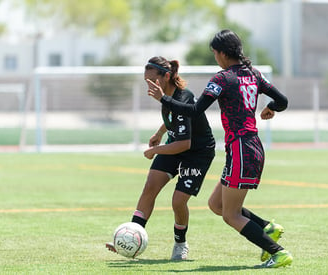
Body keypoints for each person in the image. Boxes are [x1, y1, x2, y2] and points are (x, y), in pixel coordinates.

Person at [146, 30, 292, 268]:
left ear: (222, 53)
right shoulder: (254, 74)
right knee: (217, 204)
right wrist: (271, 107)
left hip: (242, 149)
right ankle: (268, 228)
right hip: (248, 147)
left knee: (230, 214)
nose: (215, 57)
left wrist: (163, 99)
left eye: (214, 53)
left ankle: (278, 252)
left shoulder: (222, 79)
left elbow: (193, 111)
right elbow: (283, 100)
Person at [106, 56, 215, 260]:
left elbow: (185, 144)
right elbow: (174, 118)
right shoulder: (166, 95)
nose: (149, 86)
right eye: (145, 81)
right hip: (175, 143)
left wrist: (155, 151)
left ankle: (180, 243)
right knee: (150, 188)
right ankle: (132, 237)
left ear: (166, 76)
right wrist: (159, 133)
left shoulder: (184, 98)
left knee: (178, 201)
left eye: (152, 80)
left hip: (197, 153)